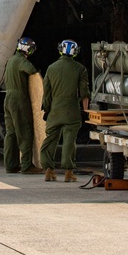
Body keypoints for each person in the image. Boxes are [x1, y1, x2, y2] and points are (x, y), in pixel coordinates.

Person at [40, 39, 90, 183]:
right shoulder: (80, 69)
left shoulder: (51, 68)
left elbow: (46, 94)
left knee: (50, 140)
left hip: (55, 110)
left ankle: (49, 171)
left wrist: (47, 110)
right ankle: (68, 173)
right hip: (71, 111)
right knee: (69, 141)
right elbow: (84, 92)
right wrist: (86, 111)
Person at [2, 37, 43, 174]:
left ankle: (10, 165)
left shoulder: (11, 60)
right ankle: (26, 165)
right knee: (24, 131)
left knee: (11, 133)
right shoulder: (21, 61)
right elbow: (31, 70)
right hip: (19, 98)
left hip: (8, 98)